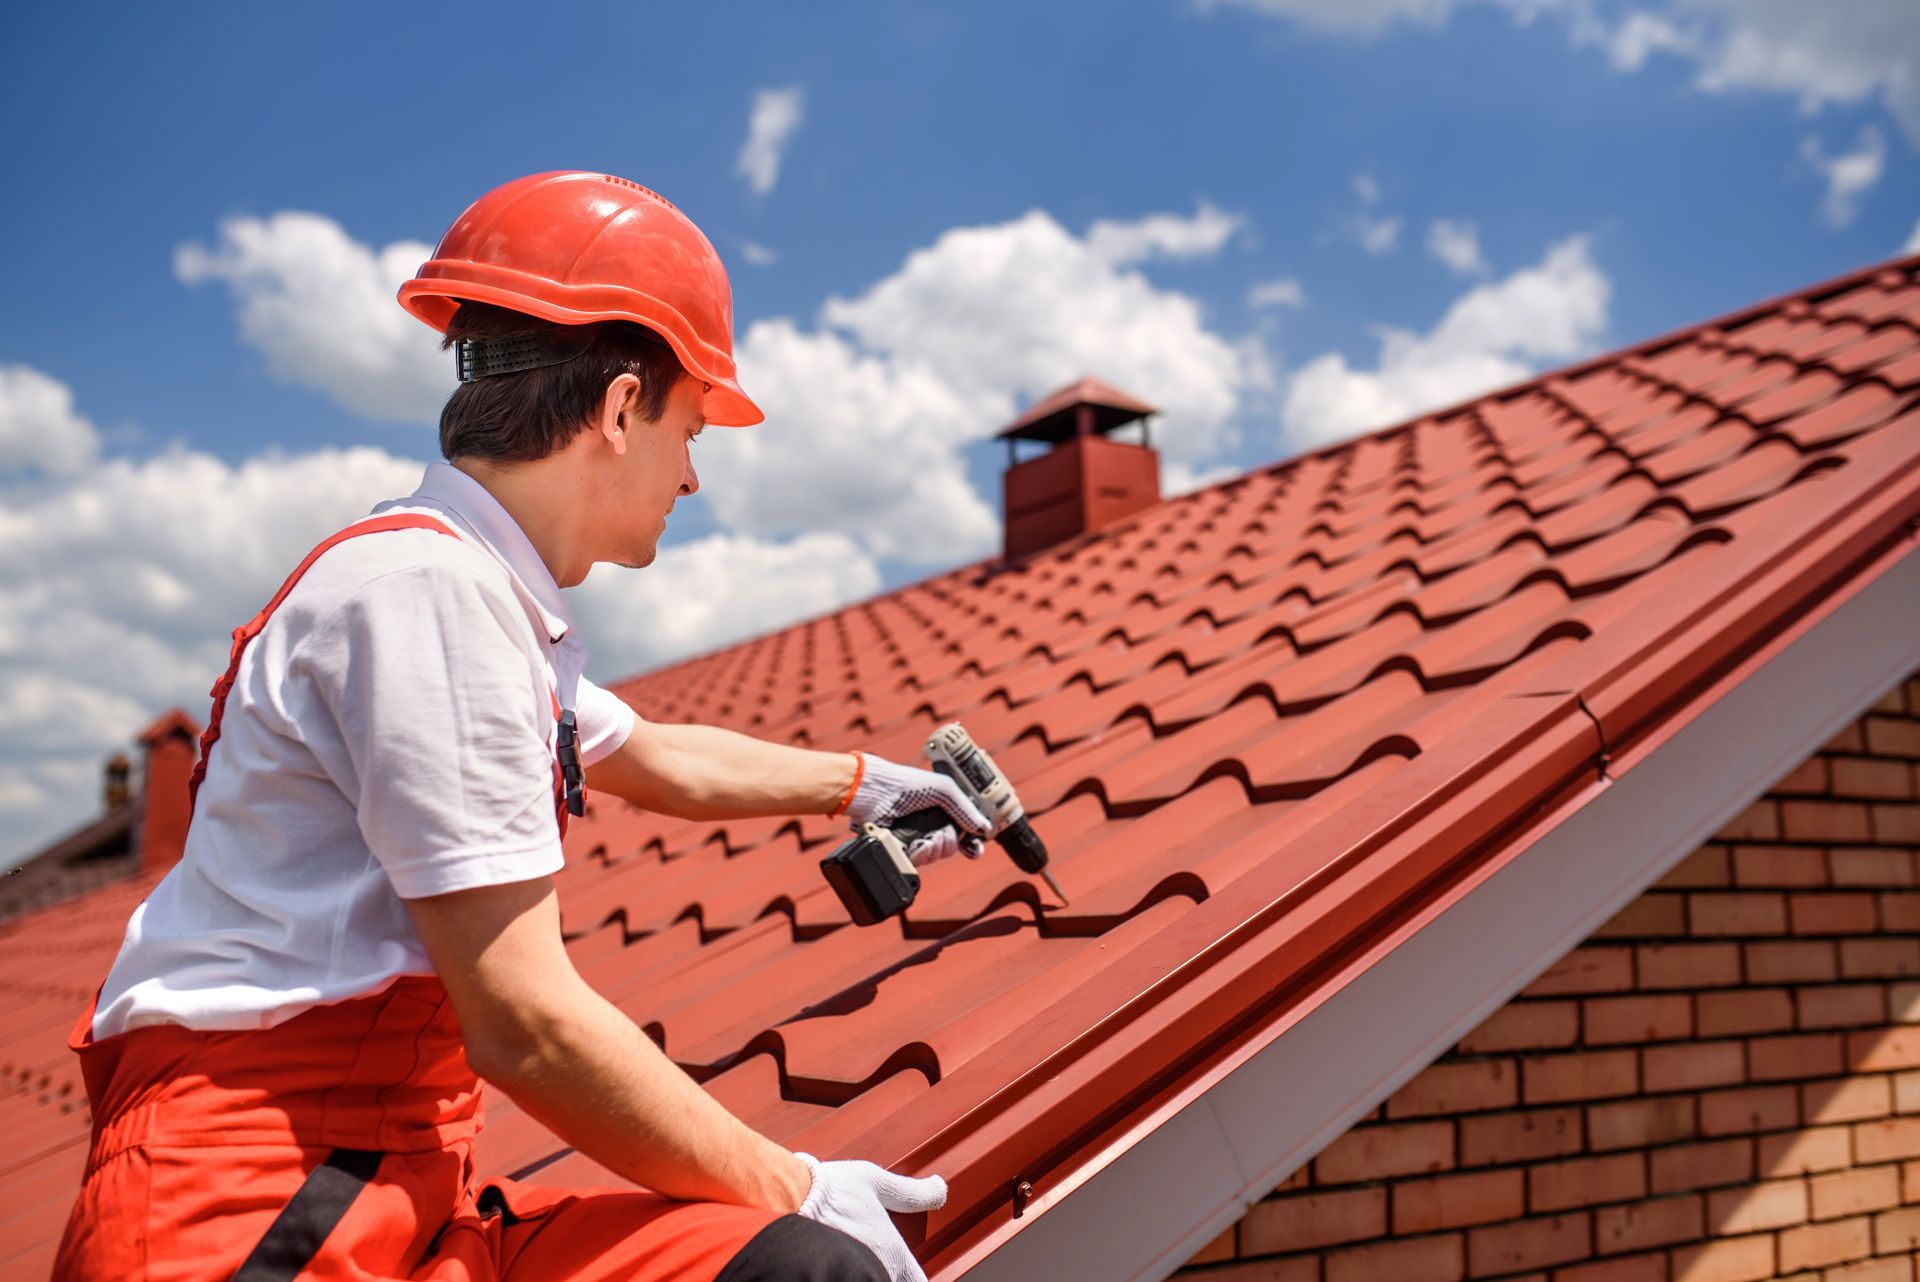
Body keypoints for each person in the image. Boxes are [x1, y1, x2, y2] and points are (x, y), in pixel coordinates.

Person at [53, 171, 991, 1282]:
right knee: (806, 1257)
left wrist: (863, 783)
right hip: (256, 1213)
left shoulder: (466, 596)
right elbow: (526, 1025)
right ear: (621, 407)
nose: (692, 478)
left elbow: (657, 755)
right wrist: (804, 1185)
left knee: (784, 1271)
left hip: (387, 1186)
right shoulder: (425, 599)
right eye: (690, 431)